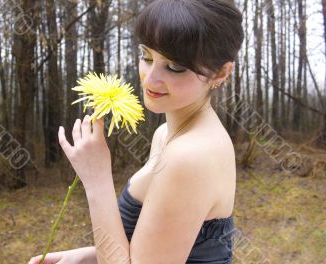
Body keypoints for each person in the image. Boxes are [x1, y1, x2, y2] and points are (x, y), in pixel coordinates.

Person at [29, 0, 244, 263]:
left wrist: (97, 180)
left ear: (221, 72)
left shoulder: (192, 155)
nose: (150, 79)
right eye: (147, 56)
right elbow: (154, 250)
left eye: (175, 67)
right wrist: (86, 257)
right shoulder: (165, 134)